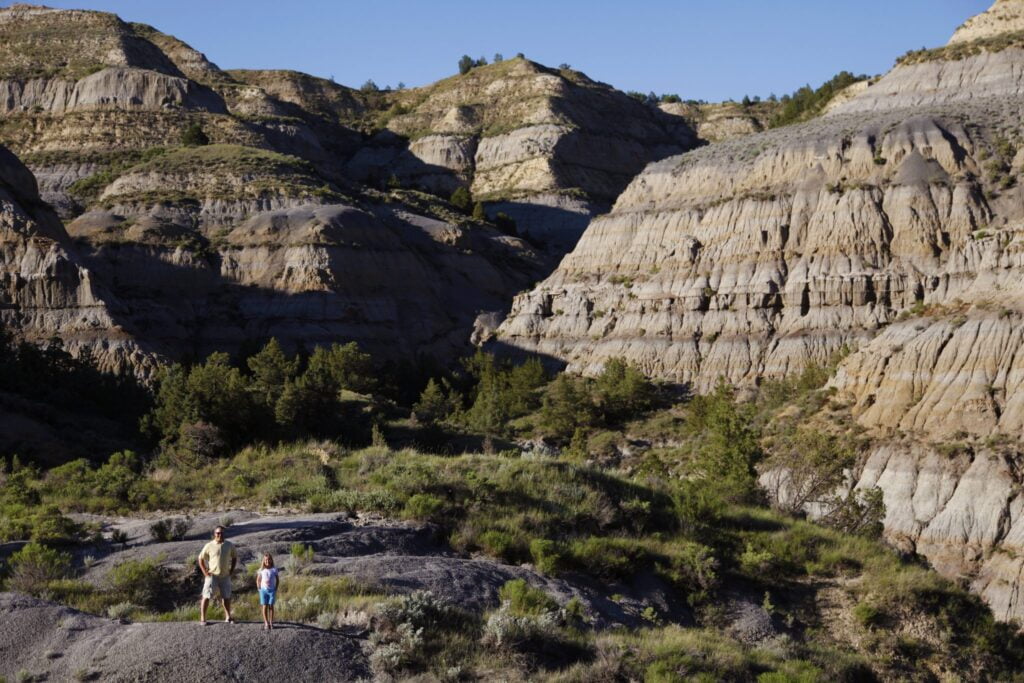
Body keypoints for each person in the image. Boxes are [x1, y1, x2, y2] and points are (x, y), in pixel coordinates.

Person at [198, 525, 237, 626]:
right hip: (212, 575)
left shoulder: (229, 545)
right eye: (218, 533)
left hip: (225, 575)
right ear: (214, 534)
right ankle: (203, 618)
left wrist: (231, 570)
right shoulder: (209, 545)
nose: (220, 535)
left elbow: (234, 557)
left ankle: (228, 616)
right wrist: (205, 572)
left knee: (226, 597)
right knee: (206, 596)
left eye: (221, 533)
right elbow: (200, 558)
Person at [256, 553, 280, 631]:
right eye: (266, 560)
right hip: (263, 591)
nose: (267, 561)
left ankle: (271, 622)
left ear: (271, 560)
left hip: (272, 591)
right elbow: (258, 580)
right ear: (263, 561)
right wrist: (259, 588)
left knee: (271, 606)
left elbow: (277, 580)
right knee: (265, 606)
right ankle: (266, 622)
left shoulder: (274, 569)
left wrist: (275, 588)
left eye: (269, 559)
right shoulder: (261, 570)